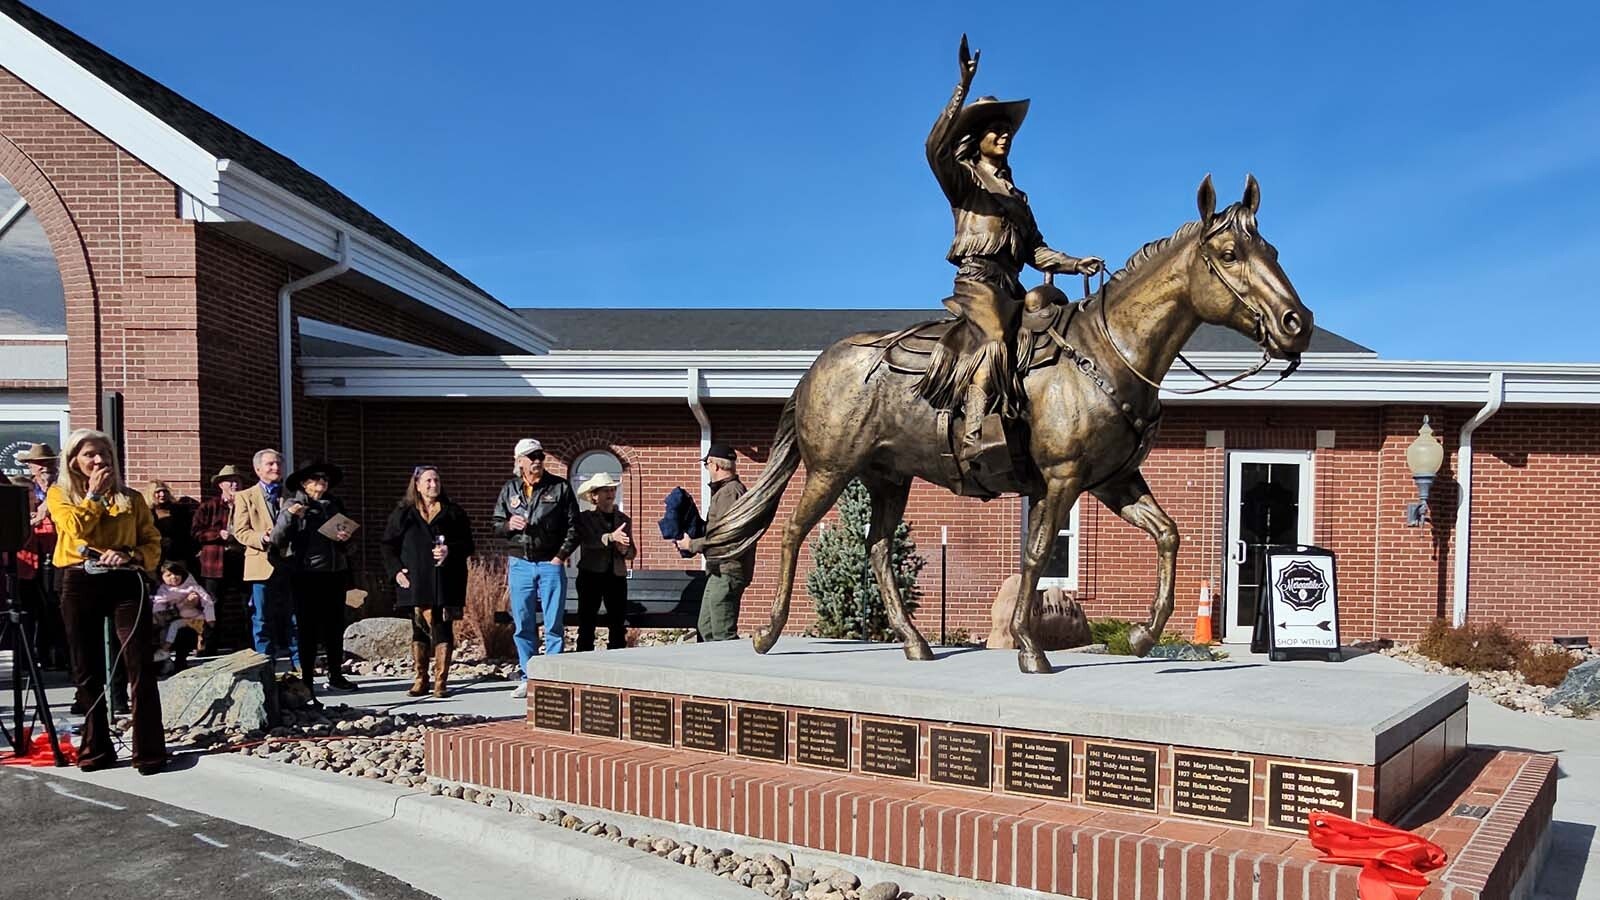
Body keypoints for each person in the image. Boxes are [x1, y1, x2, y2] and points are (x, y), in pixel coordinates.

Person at [926, 35, 1102, 464]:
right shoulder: (964, 180)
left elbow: (1036, 252)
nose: (1004, 136)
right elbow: (934, 150)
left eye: (1008, 131)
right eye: (995, 130)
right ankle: (973, 433)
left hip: (1012, 287)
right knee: (996, 341)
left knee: (1057, 330)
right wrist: (961, 90)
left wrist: (1075, 263)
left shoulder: (1017, 197)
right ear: (976, 137)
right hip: (977, 282)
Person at [45, 428, 167, 774]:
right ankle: (97, 748)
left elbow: (153, 542)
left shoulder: (131, 498)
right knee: (87, 669)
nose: (99, 461)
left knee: (139, 663)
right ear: (74, 462)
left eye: (105, 455)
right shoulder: (59, 494)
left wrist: (130, 555)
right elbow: (74, 530)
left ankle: (149, 751)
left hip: (125, 580)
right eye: (90, 455)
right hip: (79, 579)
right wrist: (95, 497)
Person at [492, 438, 578, 697]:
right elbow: (496, 523)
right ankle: (528, 677)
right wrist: (508, 526)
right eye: (531, 457)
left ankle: (551, 679)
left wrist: (560, 556)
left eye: (540, 456)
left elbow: (575, 526)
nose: (537, 461)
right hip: (520, 563)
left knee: (553, 623)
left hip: (550, 562)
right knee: (524, 623)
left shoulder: (560, 488)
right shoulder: (510, 490)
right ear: (519, 461)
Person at [380, 465, 475, 698]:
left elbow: (468, 545)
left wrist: (448, 550)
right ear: (417, 485)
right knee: (419, 628)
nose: (434, 485)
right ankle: (420, 677)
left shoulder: (453, 513)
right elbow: (387, 545)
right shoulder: (404, 513)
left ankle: (441, 681)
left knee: (442, 628)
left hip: (445, 579)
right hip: (416, 580)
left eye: (437, 481)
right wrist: (396, 572)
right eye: (428, 481)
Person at [270, 460, 358, 700]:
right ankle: (307, 678)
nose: (322, 483)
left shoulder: (335, 504)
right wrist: (289, 516)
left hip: (335, 574)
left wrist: (345, 539)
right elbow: (277, 538)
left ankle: (336, 675)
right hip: (306, 575)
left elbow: (351, 544)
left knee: (334, 627)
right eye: (316, 479)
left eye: (325, 479)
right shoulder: (293, 504)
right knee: (308, 629)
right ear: (304, 483)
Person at [675, 443, 753, 642]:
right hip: (718, 569)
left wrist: (691, 545)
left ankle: (732, 671)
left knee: (722, 632)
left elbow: (727, 535)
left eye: (707, 464)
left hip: (728, 569)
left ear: (715, 465)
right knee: (706, 627)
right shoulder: (725, 492)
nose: (707, 469)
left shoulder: (730, 493)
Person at [231, 449, 299, 672]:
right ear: (257, 469)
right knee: (262, 618)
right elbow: (240, 531)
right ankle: (265, 665)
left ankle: (299, 663)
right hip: (261, 564)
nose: (275, 468)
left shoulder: (293, 496)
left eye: (278, 463)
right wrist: (262, 537)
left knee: (294, 617)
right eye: (270, 464)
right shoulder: (245, 497)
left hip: (289, 565)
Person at [574, 472, 634, 652]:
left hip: (616, 576)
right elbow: (588, 541)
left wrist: (625, 550)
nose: (610, 494)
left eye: (612, 490)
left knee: (617, 623)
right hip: (591, 575)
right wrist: (610, 537)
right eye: (605, 490)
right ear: (594, 496)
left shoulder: (623, 519)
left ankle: (616, 660)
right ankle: (583, 660)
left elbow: (632, 551)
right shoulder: (585, 518)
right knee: (587, 622)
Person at [191, 465, 247, 651]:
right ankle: (209, 644)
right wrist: (217, 534)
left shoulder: (247, 505)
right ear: (220, 484)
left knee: (246, 602)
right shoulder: (209, 506)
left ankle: (247, 643)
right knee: (212, 603)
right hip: (215, 561)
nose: (234, 484)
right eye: (230, 481)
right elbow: (196, 533)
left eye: (237, 481)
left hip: (242, 559)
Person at [151, 561, 215, 667]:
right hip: (175, 618)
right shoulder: (163, 589)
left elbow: (207, 601)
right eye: (168, 575)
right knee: (166, 629)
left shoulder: (192, 587)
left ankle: (166, 649)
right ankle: (164, 656)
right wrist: (159, 614)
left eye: (177, 574)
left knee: (176, 628)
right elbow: (158, 604)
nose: (174, 577)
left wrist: (210, 619)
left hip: (195, 618)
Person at [145, 479, 198, 568]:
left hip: (177, 555)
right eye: (158, 492)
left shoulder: (179, 510)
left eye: (164, 491)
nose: (162, 494)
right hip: (154, 555)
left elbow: (188, 533)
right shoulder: (146, 512)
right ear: (151, 494)